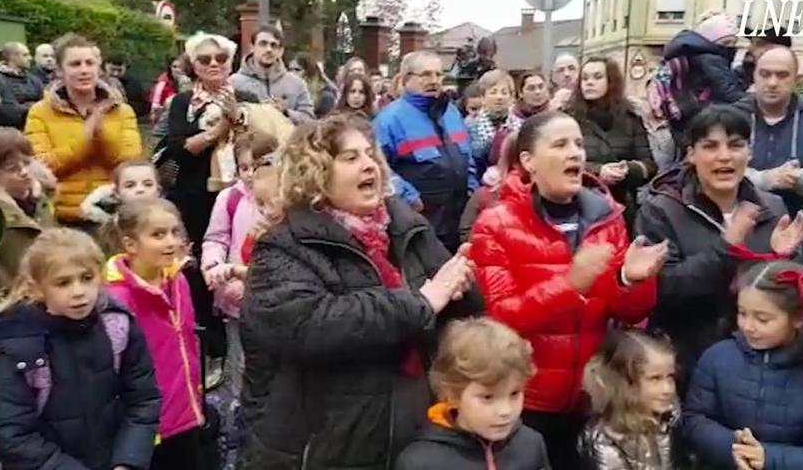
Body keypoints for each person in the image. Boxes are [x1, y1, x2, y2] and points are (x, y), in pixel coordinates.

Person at [238, 115, 483, 470]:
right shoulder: (282, 245)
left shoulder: (406, 227)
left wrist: (463, 283)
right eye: (350, 158)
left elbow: (455, 310)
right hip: (323, 446)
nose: (369, 165)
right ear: (315, 174)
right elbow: (312, 325)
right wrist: (423, 301)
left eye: (370, 154)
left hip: (415, 432)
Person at [469, 110, 666, 468]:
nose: (575, 152)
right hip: (525, 399)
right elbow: (500, 318)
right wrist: (569, 284)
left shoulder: (607, 217)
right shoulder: (496, 223)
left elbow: (629, 313)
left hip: (591, 398)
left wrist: (631, 281)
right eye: (560, 144)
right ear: (528, 161)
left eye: (578, 143)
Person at [635, 105, 803, 382]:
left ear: (749, 153)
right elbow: (663, 290)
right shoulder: (662, 210)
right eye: (710, 146)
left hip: (764, 364)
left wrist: (780, 261)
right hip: (689, 362)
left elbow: (800, 292)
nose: (724, 157)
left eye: (736, 145)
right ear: (691, 154)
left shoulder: (772, 207)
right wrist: (726, 248)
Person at [0, 228, 162, 470]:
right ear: (37, 288)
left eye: (87, 278)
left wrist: (127, 460)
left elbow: (143, 399)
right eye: (63, 283)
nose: (78, 292)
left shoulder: (117, 326)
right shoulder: (16, 346)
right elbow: (12, 433)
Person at [682, 260, 803, 469]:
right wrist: (737, 448)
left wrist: (767, 457)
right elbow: (695, 419)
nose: (748, 326)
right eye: (742, 313)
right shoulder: (717, 357)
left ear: (798, 318)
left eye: (762, 319)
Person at [162, 32, 247, 363]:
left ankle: (237, 328)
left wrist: (236, 117)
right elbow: (177, 149)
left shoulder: (245, 94)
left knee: (237, 261)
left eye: (221, 58)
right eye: (205, 59)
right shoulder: (183, 102)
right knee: (198, 266)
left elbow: (256, 142)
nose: (214, 64)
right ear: (193, 65)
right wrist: (217, 130)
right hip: (194, 195)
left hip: (237, 195)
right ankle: (208, 339)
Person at [104, 199, 207, 470]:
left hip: (185, 411)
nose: (170, 242)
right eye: (158, 235)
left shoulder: (178, 280)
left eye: (175, 232)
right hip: (148, 424)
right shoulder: (118, 298)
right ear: (130, 244)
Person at [394, 317, 550, 470]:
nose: (506, 411)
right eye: (488, 397)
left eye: (514, 394)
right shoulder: (420, 462)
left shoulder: (531, 444)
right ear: (453, 395)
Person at [24, 33, 142, 228]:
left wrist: (101, 137)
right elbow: (41, 168)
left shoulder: (122, 111)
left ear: (99, 68)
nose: (84, 70)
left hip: (113, 217)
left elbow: (131, 163)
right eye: (75, 64)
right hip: (63, 219)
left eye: (90, 63)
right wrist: (84, 141)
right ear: (60, 70)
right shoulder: (40, 112)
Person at [374, 50, 478, 251]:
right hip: (419, 226)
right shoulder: (389, 120)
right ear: (406, 79)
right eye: (426, 75)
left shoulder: (452, 112)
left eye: (439, 75)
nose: (434, 80)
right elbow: (378, 166)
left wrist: (472, 184)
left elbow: (467, 156)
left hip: (459, 224)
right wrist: (407, 196)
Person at [734, 46, 803, 215]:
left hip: (795, 230)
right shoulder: (731, 118)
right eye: (765, 74)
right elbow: (713, 171)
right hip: (736, 229)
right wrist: (766, 179)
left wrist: (797, 178)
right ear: (754, 76)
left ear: (796, 80)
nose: (772, 83)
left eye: (782, 75)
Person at [201, 132, 261, 398]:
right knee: (241, 357)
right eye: (244, 167)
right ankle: (240, 405)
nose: (249, 174)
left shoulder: (284, 199)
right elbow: (216, 237)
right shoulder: (229, 198)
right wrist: (213, 264)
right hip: (235, 292)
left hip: (273, 292)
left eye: (256, 167)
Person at [567, 56, 656, 228]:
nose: (589, 83)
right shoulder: (569, 118)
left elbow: (650, 165)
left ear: (611, 81)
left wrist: (627, 170)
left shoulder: (630, 119)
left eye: (597, 77)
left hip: (622, 207)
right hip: (579, 205)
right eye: (585, 78)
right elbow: (560, 162)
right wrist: (599, 171)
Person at [578, 329, 679, 470]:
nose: (667, 389)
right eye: (655, 379)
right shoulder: (605, 440)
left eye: (670, 377)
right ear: (625, 383)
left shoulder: (668, 420)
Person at [0, 127, 54, 296]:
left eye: (27, 163)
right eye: (12, 169)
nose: (24, 172)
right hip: (3, 310)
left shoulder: (42, 201)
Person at [230, 25, 314, 124]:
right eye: (263, 44)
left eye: (274, 45)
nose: (269, 49)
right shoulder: (234, 82)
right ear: (252, 47)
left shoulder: (297, 84)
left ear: (281, 51)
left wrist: (285, 112)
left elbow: (310, 121)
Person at [663, 12, 747, 107]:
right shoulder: (712, 60)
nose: (731, 47)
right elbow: (729, 93)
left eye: (734, 42)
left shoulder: (693, 55)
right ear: (710, 41)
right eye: (726, 42)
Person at [79, 159, 161, 225]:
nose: (140, 190)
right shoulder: (113, 224)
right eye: (130, 185)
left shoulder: (167, 218)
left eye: (148, 184)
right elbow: (85, 209)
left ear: (158, 191)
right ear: (117, 193)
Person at [467, 69, 515, 179]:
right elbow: (473, 155)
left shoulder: (519, 125)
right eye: (493, 92)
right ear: (483, 98)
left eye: (504, 92)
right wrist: (496, 139)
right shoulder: (471, 125)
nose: (499, 97)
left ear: (511, 97)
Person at [0, 42, 43, 130]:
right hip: (11, 132)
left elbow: (45, 106)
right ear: (13, 57)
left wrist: (24, 107)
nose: (30, 58)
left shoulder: (34, 79)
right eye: (25, 55)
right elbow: (10, 113)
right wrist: (34, 106)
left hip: (37, 126)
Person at [289, 52, 338, 118]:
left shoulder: (325, 96)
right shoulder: (289, 92)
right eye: (290, 69)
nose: (292, 74)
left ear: (309, 73)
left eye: (297, 70)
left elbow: (327, 124)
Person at [104, 52, 149, 119]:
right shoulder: (95, 81)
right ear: (105, 66)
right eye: (112, 69)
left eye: (119, 70)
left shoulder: (133, 84)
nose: (115, 73)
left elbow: (143, 107)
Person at [149, 56, 188, 124]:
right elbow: (155, 104)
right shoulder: (163, 83)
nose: (178, 70)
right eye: (174, 67)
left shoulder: (189, 82)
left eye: (181, 67)